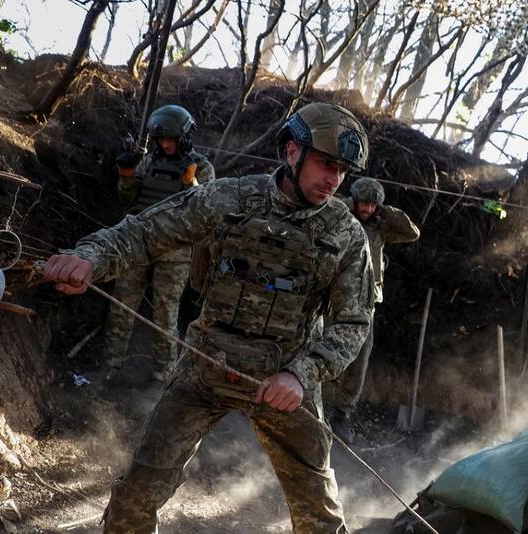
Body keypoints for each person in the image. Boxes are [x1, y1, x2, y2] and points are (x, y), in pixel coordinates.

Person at [43, 102, 375, 533]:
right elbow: (144, 231)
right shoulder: (230, 197)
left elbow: (354, 322)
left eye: (343, 170)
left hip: (283, 383)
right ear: (292, 151)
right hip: (205, 369)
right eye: (326, 163)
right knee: (136, 495)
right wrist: (88, 257)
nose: (334, 179)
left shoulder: (346, 233)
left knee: (321, 517)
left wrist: (302, 374)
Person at [106, 104, 216, 380]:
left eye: (171, 139)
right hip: (140, 242)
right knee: (121, 305)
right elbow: (129, 202)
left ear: (185, 137)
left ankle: (162, 376)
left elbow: (207, 210)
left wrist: (192, 183)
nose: (166, 145)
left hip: (175, 250)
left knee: (165, 315)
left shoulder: (201, 167)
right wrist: (127, 177)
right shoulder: (149, 161)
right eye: (161, 139)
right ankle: (110, 365)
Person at [329, 177, 420, 443]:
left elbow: (411, 232)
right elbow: (325, 208)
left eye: (372, 205)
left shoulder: (381, 229)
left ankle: (343, 414)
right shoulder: (341, 218)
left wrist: (385, 211)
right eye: (363, 204)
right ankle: (312, 402)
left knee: (360, 359)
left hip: (366, 302)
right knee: (318, 344)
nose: (367, 210)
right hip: (333, 295)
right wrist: (348, 204)